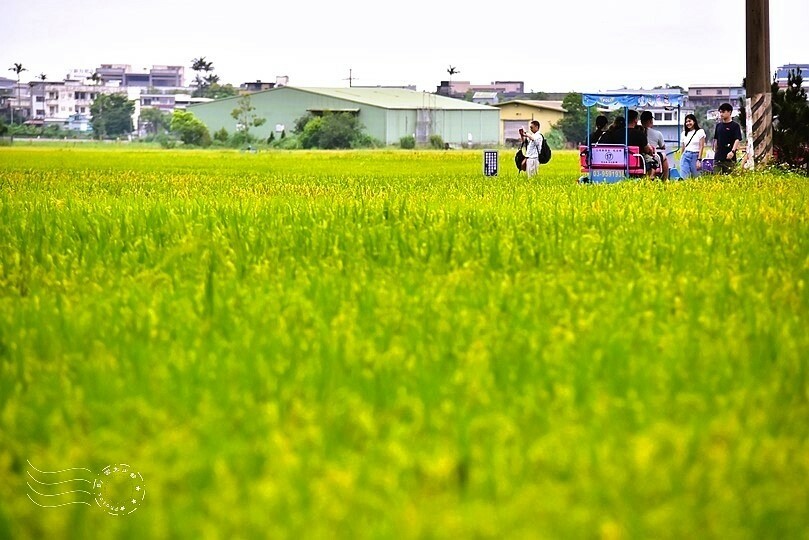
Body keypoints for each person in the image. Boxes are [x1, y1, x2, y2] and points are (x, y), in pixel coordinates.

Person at [603, 110, 656, 175]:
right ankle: (650, 180)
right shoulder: (640, 134)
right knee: (653, 162)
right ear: (635, 120)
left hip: (619, 162)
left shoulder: (616, 133)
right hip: (637, 162)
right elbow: (647, 150)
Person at [712, 102, 743, 174]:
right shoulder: (718, 126)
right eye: (720, 112)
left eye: (723, 112)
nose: (721, 114)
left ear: (729, 112)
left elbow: (737, 139)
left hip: (729, 157)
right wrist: (715, 149)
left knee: (730, 179)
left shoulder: (735, 126)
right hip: (718, 157)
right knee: (716, 178)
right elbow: (716, 138)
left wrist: (732, 151)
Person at [641, 110, 669, 180]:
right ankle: (665, 179)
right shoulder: (657, 133)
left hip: (639, 155)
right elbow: (663, 146)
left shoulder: (637, 132)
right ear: (651, 121)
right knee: (664, 156)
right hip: (651, 156)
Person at [679, 113, 706, 178]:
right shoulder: (683, 133)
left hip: (695, 156)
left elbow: (701, 146)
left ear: (694, 121)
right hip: (685, 156)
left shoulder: (700, 131)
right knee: (684, 177)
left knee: (696, 177)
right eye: (686, 122)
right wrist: (681, 157)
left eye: (689, 121)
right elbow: (683, 147)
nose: (688, 123)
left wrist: (699, 160)